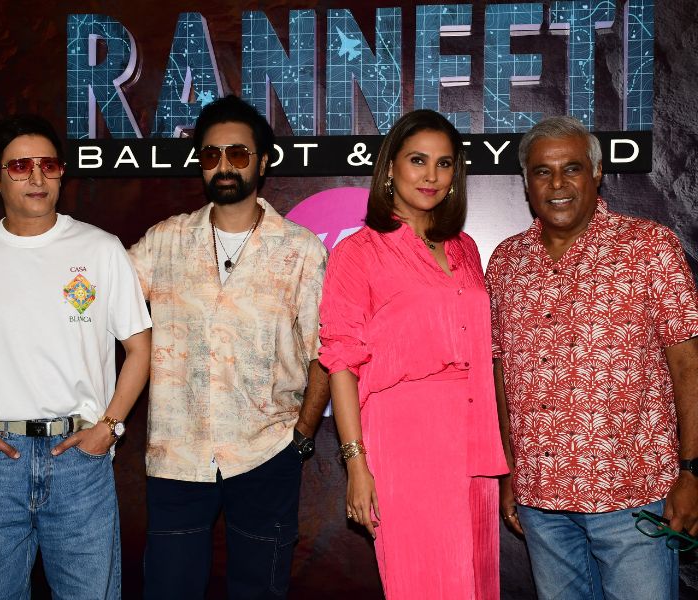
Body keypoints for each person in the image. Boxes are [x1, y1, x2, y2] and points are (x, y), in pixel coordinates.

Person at [0, 114, 152, 598]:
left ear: (61, 173)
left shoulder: (101, 249)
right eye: (20, 166)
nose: (37, 177)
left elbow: (139, 348)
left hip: (79, 459)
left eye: (48, 165)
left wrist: (108, 428)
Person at [486, 115, 698, 599]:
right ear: (526, 181)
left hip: (633, 497)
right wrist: (512, 469)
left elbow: (689, 365)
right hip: (542, 504)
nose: (557, 184)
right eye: (542, 171)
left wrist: (691, 471)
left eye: (572, 168)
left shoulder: (649, 247)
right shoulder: (506, 262)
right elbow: (502, 370)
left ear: (597, 172)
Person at [128, 95, 329, 599]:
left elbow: (325, 351)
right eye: (211, 154)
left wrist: (302, 436)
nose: (224, 166)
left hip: (266, 454)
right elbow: (89, 290)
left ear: (263, 161)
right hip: (178, 455)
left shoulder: (300, 249)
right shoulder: (165, 241)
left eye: (238, 154)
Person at [318, 109, 508, 599]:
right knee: (426, 582)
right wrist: (356, 464)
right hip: (405, 438)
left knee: (476, 582)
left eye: (444, 164)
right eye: (418, 160)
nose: (431, 175)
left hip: (474, 435)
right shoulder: (358, 252)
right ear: (390, 168)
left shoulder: (465, 248)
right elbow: (341, 362)